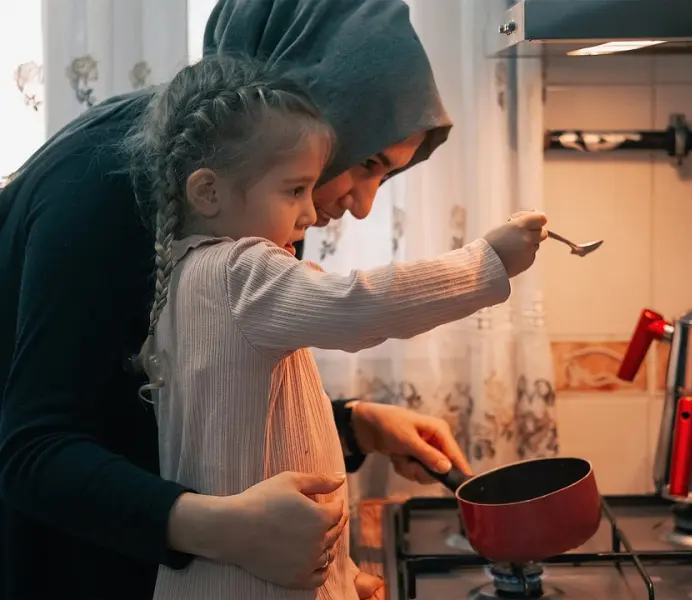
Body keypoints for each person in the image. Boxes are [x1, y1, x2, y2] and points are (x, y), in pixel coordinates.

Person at [0, 1, 544, 599]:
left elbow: (188, 397)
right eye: (367, 163)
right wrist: (232, 532)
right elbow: (36, 456)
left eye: (385, 179)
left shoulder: (239, 188)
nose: (361, 205)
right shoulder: (104, 184)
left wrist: (354, 426)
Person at [127, 55, 546, 600]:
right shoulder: (240, 271)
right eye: (294, 190)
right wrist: (485, 261)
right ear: (208, 193)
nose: (309, 214)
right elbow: (358, 304)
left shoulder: (184, 277)